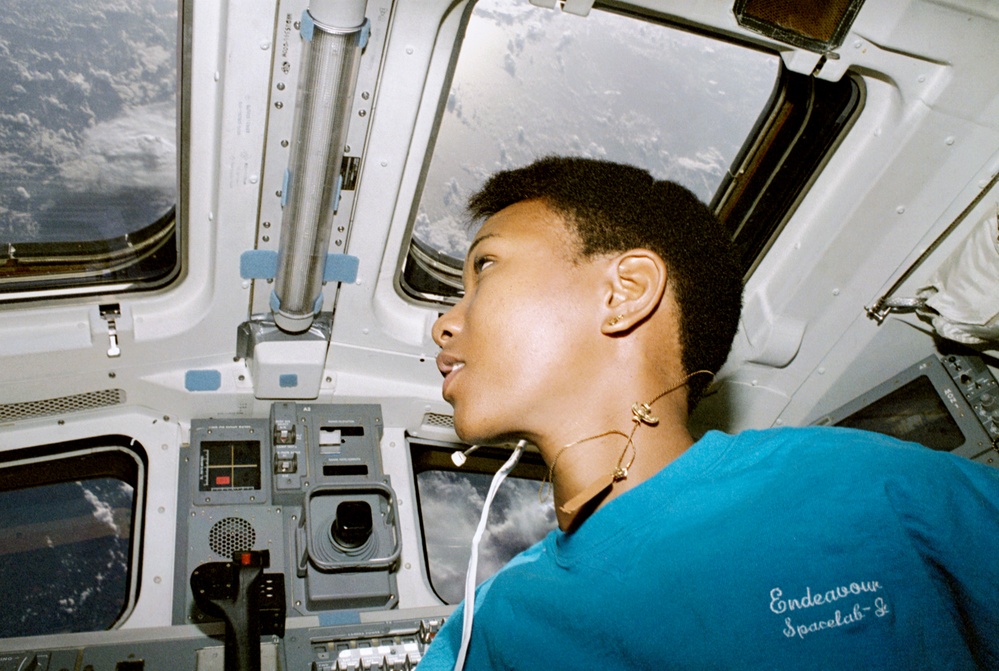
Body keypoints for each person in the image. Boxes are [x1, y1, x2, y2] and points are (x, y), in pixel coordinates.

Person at [420, 156, 999, 669]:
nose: (442, 322)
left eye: (485, 267)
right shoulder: (489, 629)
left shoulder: (867, 484)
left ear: (624, 292)